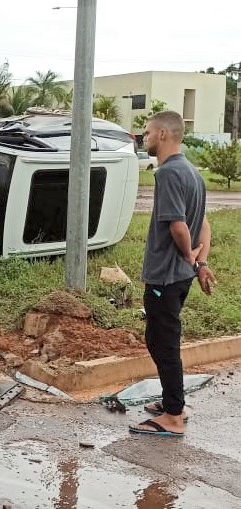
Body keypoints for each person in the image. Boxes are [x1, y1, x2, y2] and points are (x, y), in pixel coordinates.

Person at [129, 110, 216, 438]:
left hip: (166, 275)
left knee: (163, 343)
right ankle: (172, 402)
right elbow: (203, 223)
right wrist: (200, 262)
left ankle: (174, 415)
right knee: (158, 338)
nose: (145, 137)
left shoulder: (167, 173)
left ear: (163, 134)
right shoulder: (192, 172)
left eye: (148, 132)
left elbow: (180, 226)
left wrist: (188, 256)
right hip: (180, 276)